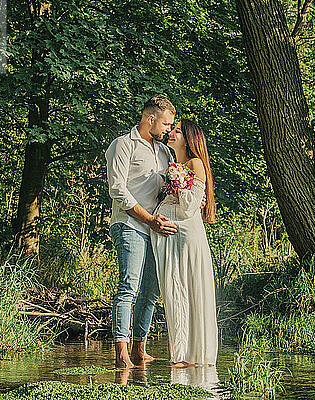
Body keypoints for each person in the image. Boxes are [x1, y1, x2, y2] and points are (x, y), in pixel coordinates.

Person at [105, 96, 178, 369]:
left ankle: (140, 349)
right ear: (151, 119)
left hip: (156, 229)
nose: (168, 130)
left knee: (150, 291)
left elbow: (165, 190)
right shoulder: (123, 145)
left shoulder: (164, 152)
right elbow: (118, 189)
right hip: (130, 224)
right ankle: (121, 352)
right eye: (166, 124)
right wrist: (148, 219)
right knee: (129, 287)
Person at [150, 118, 218, 367]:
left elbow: (190, 206)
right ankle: (180, 354)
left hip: (185, 235)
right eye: (172, 129)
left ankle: (192, 356)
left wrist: (177, 183)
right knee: (173, 289)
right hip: (170, 234)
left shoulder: (194, 163)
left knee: (187, 289)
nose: (171, 133)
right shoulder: (174, 164)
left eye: (177, 131)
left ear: (189, 140)